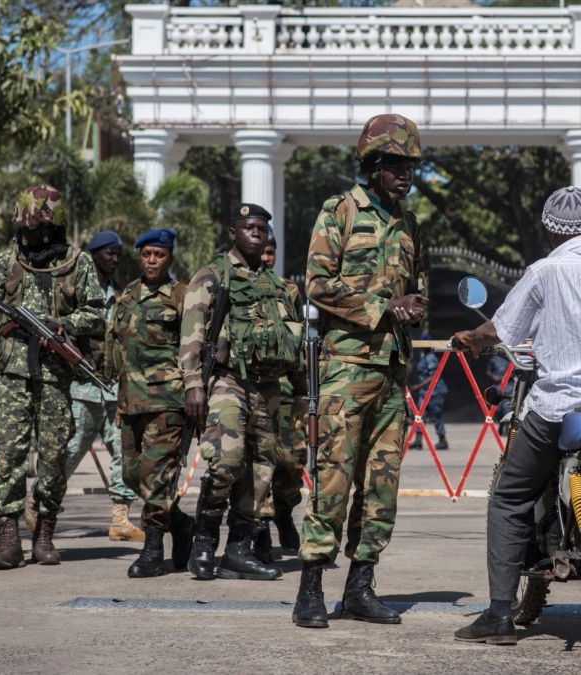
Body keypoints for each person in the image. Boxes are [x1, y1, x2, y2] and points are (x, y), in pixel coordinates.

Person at [451, 186, 581, 645]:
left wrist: (470, 339)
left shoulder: (545, 270)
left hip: (564, 405)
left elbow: (501, 328)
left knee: (510, 497)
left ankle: (500, 615)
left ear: (547, 229)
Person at [293, 113, 429, 629]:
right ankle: (310, 589)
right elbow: (318, 284)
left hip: (391, 372)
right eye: (395, 165)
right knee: (333, 479)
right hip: (345, 370)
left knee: (382, 486)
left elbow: (417, 288)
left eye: (410, 166)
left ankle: (360, 587)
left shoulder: (409, 223)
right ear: (372, 165)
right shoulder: (340, 211)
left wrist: (414, 308)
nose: (404, 175)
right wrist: (382, 307)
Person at [0, 184, 105, 570]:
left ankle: (44, 533)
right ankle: (8, 538)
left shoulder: (77, 263)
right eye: (24, 229)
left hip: (55, 374)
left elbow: (97, 313)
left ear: (53, 228)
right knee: (9, 453)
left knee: (52, 456)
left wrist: (61, 324)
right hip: (14, 372)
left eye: (35, 230)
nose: (28, 237)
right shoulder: (9, 261)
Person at [180, 203, 303, 582]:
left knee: (261, 471)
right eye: (248, 227)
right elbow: (192, 335)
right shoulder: (212, 277)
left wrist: (302, 396)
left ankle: (238, 550)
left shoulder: (280, 287)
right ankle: (203, 543)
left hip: (268, 388)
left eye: (262, 229)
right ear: (233, 232)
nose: (256, 233)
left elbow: (295, 345)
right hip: (226, 382)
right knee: (225, 463)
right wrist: (193, 385)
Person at [45, 230, 143, 543]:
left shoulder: (122, 294)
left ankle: (121, 520)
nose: (114, 259)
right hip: (82, 387)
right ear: (93, 255)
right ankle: (42, 509)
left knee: (124, 454)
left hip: (114, 388)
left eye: (118, 254)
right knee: (69, 452)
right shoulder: (73, 293)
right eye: (108, 253)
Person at [108, 228, 195, 578]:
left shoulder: (182, 296)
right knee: (133, 476)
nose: (152, 260)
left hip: (167, 401)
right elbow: (117, 349)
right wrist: (117, 399)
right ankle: (182, 524)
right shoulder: (127, 295)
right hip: (130, 402)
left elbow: (194, 349)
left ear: (169, 257)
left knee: (157, 477)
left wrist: (192, 393)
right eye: (146, 255)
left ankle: (153, 549)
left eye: (159, 255)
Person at [258, 228, 305, 556]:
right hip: (251, 390)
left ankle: (285, 513)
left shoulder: (289, 289)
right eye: (261, 250)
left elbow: (300, 342)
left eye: (270, 251)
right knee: (256, 461)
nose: (265, 257)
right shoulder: (232, 287)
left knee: (290, 461)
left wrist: (304, 392)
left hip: (287, 392)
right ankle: (259, 525)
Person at [410, 333, 448, 450]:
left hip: (435, 392)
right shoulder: (424, 357)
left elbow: (433, 376)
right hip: (425, 392)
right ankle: (418, 440)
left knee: (436, 415)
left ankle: (442, 440)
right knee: (420, 415)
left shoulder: (431, 358)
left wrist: (418, 386)